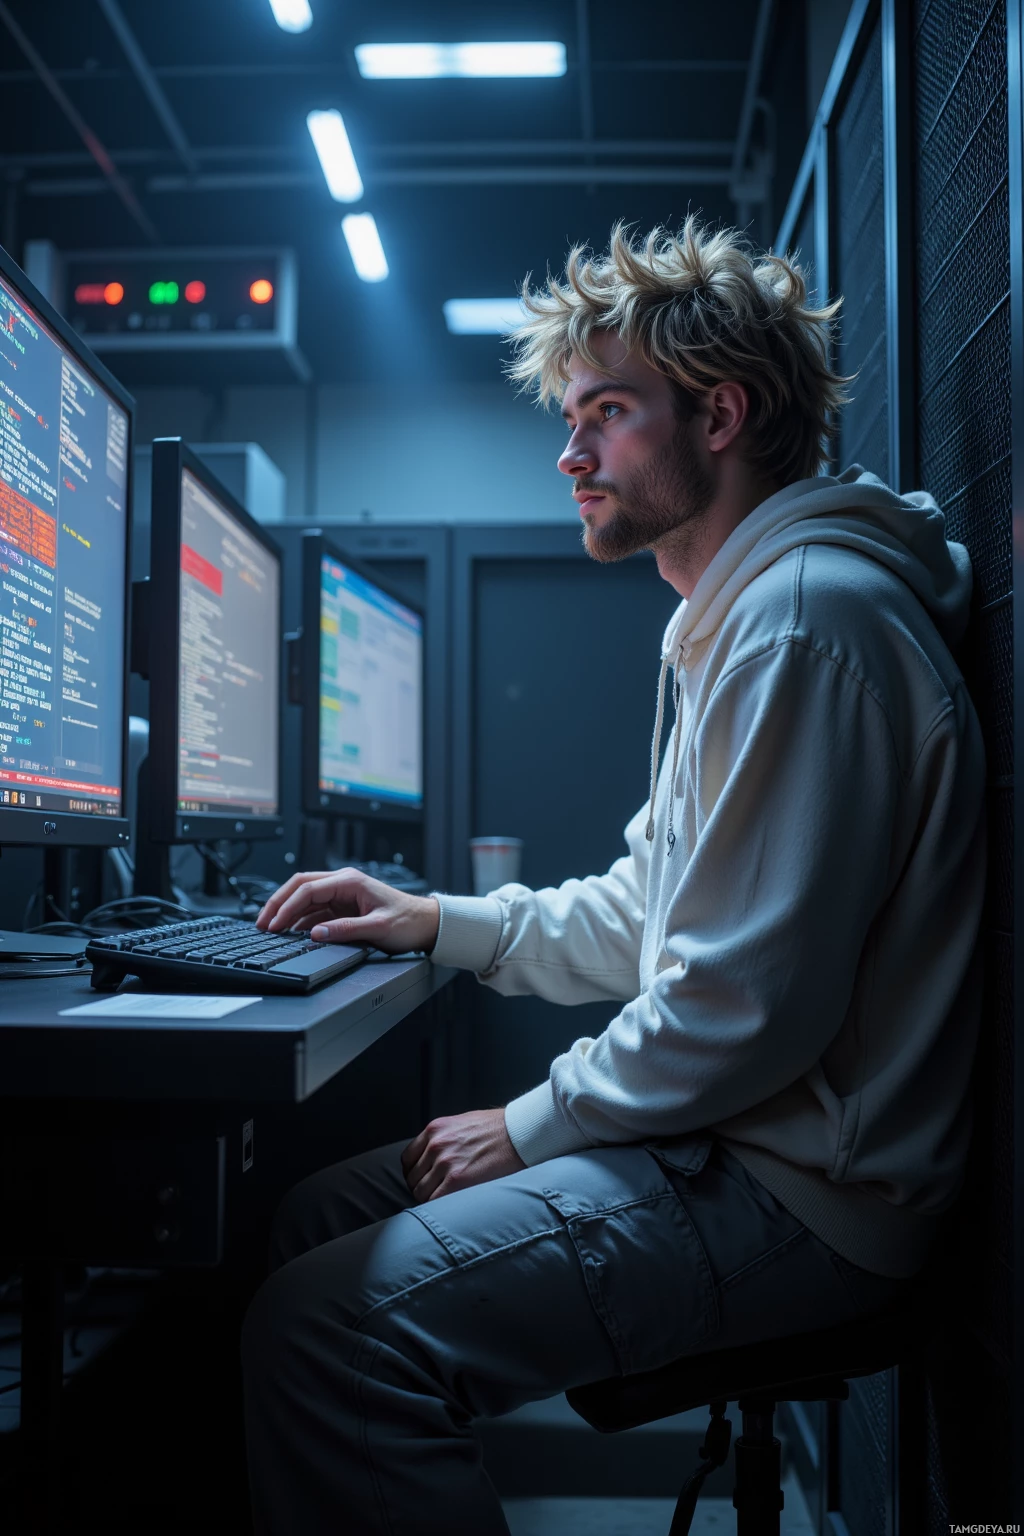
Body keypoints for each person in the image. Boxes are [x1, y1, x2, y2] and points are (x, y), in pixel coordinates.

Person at [241, 218, 986, 1535]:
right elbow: (655, 909)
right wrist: (439, 921)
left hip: (801, 1198)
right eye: (571, 416)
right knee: (308, 1219)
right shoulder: (740, 620)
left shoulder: (800, 627)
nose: (571, 453)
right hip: (738, 1144)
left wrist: (525, 1126)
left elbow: (738, 1012)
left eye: (607, 413)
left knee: (327, 1330)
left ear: (722, 416)